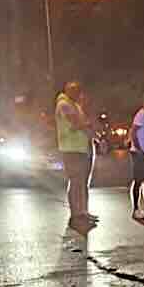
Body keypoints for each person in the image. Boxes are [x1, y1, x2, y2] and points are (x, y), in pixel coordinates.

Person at [55, 82, 93, 219]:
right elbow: (76, 123)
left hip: (80, 147)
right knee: (76, 181)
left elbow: (82, 122)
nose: (79, 94)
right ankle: (76, 212)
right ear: (69, 91)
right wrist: (86, 125)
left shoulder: (74, 105)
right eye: (76, 91)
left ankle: (83, 211)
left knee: (82, 181)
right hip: (71, 148)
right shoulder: (64, 104)